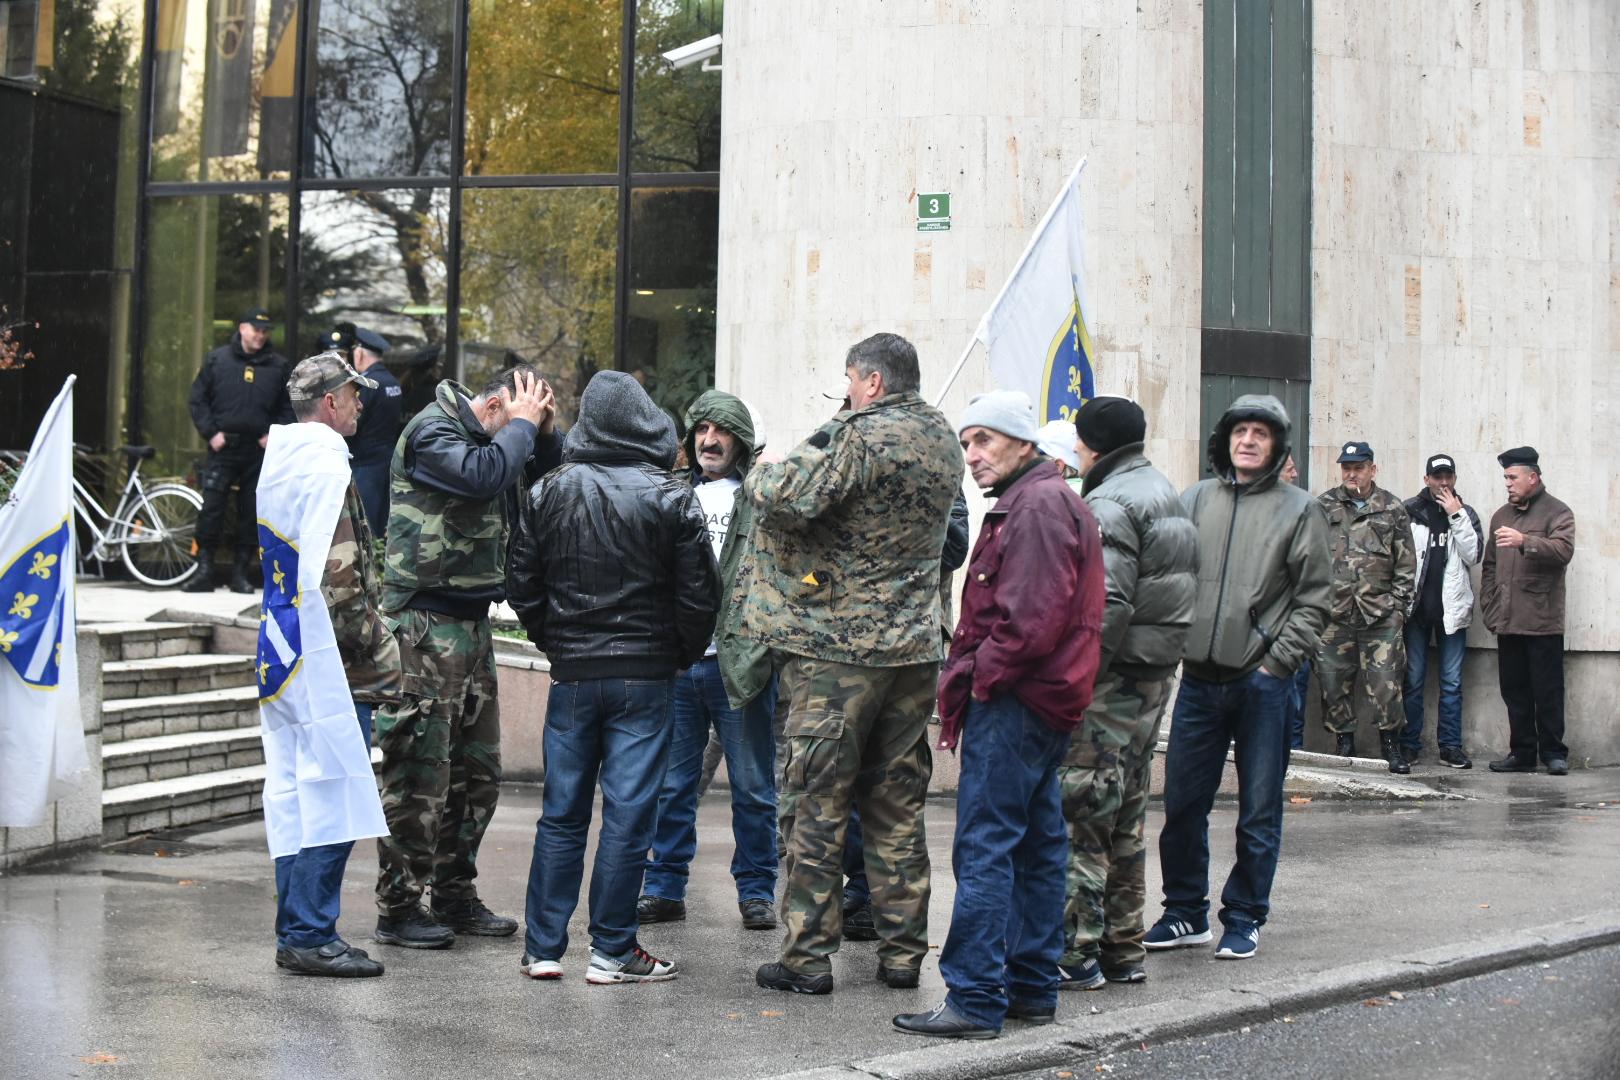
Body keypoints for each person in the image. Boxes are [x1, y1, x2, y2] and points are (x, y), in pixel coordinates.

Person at [746, 332, 962, 996]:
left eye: (849, 382)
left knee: (817, 802)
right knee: (896, 805)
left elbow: (790, 496)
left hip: (838, 654)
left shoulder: (862, 437)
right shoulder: (944, 440)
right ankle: (902, 954)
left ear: (869, 381)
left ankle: (807, 956)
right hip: (915, 651)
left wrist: (765, 467)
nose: (846, 393)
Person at [892, 391, 1105, 1039]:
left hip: (1014, 704)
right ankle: (1031, 988)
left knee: (985, 849)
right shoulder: (1042, 502)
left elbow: (1027, 622)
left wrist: (978, 682)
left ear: (1023, 444)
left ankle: (976, 998)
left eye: (984, 440)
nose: (972, 455)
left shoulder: (1036, 506)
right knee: (1038, 847)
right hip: (1039, 703)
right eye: (966, 443)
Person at [508, 370, 719, 983]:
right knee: (629, 813)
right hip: (646, 676)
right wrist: (675, 655)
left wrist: (558, 642)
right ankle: (612, 950)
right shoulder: (672, 495)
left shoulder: (548, 491)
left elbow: (522, 585)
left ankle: (544, 949)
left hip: (574, 675)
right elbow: (700, 596)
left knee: (562, 812)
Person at [371, 366, 555, 949]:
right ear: (497, 403)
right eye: (522, 414)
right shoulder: (434, 433)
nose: (525, 430)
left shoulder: (497, 439)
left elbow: (545, 478)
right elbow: (483, 477)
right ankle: (399, 906)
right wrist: (522, 428)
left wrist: (541, 433)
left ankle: (454, 893)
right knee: (420, 771)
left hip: (473, 628)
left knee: (477, 774)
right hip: (425, 628)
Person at [1146, 395, 1330, 961]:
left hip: (1262, 684)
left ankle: (1245, 915)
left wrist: (1277, 664)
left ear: (1278, 446)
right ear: (1224, 439)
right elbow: (1167, 573)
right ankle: (1184, 912)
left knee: (1257, 810)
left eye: (1260, 433)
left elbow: (1315, 599)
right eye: (1239, 431)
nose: (1248, 440)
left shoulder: (1299, 510)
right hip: (1198, 680)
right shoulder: (1196, 498)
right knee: (1182, 804)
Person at [256, 352, 399, 978]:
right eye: (355, 394)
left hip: (283, 650)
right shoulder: (326, 464)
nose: (362, 404)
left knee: (294, 792)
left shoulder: (282, 461)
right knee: (334, 791)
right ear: (332, 402)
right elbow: (339, 580)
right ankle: (311, 933)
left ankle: (296, 929)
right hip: (330, 658)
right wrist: (383, 653)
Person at [1056, 397, 1197, 990]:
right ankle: (1122, 947)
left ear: (1092, 444)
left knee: (1083, 813)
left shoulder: (1109, 501)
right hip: (1152, 676)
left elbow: (1107, 603)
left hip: (1111, 681)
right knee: (1126, 815)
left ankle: (1075, 953)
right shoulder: (1162, 489)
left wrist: (1078, 677)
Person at [637, 390, 780, 932]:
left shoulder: (762, 497)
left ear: (741, 441)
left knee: (753, 786)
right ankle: (664, 887)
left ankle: (757, 892)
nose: (709, 440)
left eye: (721, 432)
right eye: (701, 430)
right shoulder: (672, 494)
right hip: (680, 664)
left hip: (740, 667)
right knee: (671, 786)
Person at [1315, 441, 1416, 773]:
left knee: (1387, 682)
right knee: (1332, 681)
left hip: (1380, 614)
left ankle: (1391, 745)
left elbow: (1405, 562)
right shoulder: (1324, 505)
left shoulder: (1392, 508)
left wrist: (1399, 608)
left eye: (1358, 467)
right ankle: (1344, 742)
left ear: (1373, 469)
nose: (1351, 473)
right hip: (1335, 613)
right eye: (1346, 467)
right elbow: (1308, 557)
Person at [184, 308, 293, 594]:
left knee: (251, 513)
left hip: (258, 451)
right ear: (242, 328)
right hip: (223, 447)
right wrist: (211, 433)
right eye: (256, 329)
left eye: (265, 331)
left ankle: (240, 574)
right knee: (211, 509)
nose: (260, 335)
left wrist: (274, 434)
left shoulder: (278, 366)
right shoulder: (217, 360)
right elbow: (197, 400)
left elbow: (289, 406)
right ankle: (204, 570)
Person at [1480, 447, 1575, 776]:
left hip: (1542, 621)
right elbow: (1489, 566)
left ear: (1532, 477)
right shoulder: (1501, 516)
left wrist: (1525, 541)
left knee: (1547, 691)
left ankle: (1553, 753)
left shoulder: (1557, 512)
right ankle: (1522, 753)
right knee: (1514, 691)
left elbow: (1563, 551)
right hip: (1508, 621)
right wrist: (1489, 605)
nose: (1507, 483)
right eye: (1505, 477)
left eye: (1512, 477)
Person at [1401, 454, 1483, 769]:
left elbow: (1473, 554)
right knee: (1414, 679)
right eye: (1437, 477)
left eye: (1448, 476)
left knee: (1451, 682)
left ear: (1455, 479)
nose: (1443, 483)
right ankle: (1409, 744)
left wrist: (1456, 515)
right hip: (1417, 612)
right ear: (1427, 480)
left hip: (1452, 614)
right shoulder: (1410, 511)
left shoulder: (1466, 513)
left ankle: (1450, 747)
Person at [324, 323, 405, 538]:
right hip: (385, 462)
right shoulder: (393, 382)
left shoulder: (369, 384)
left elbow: (354, 422)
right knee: (380, 525)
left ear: (358, 353)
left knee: (363, 528)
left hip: (364, 466)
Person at [1278, 455, 1313, 750]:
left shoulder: (1305, 510)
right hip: (1258, 629)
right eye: (1290, 468)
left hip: (1295, 623)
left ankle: (1294, 749)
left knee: (1296, 689)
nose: (1296, 472)